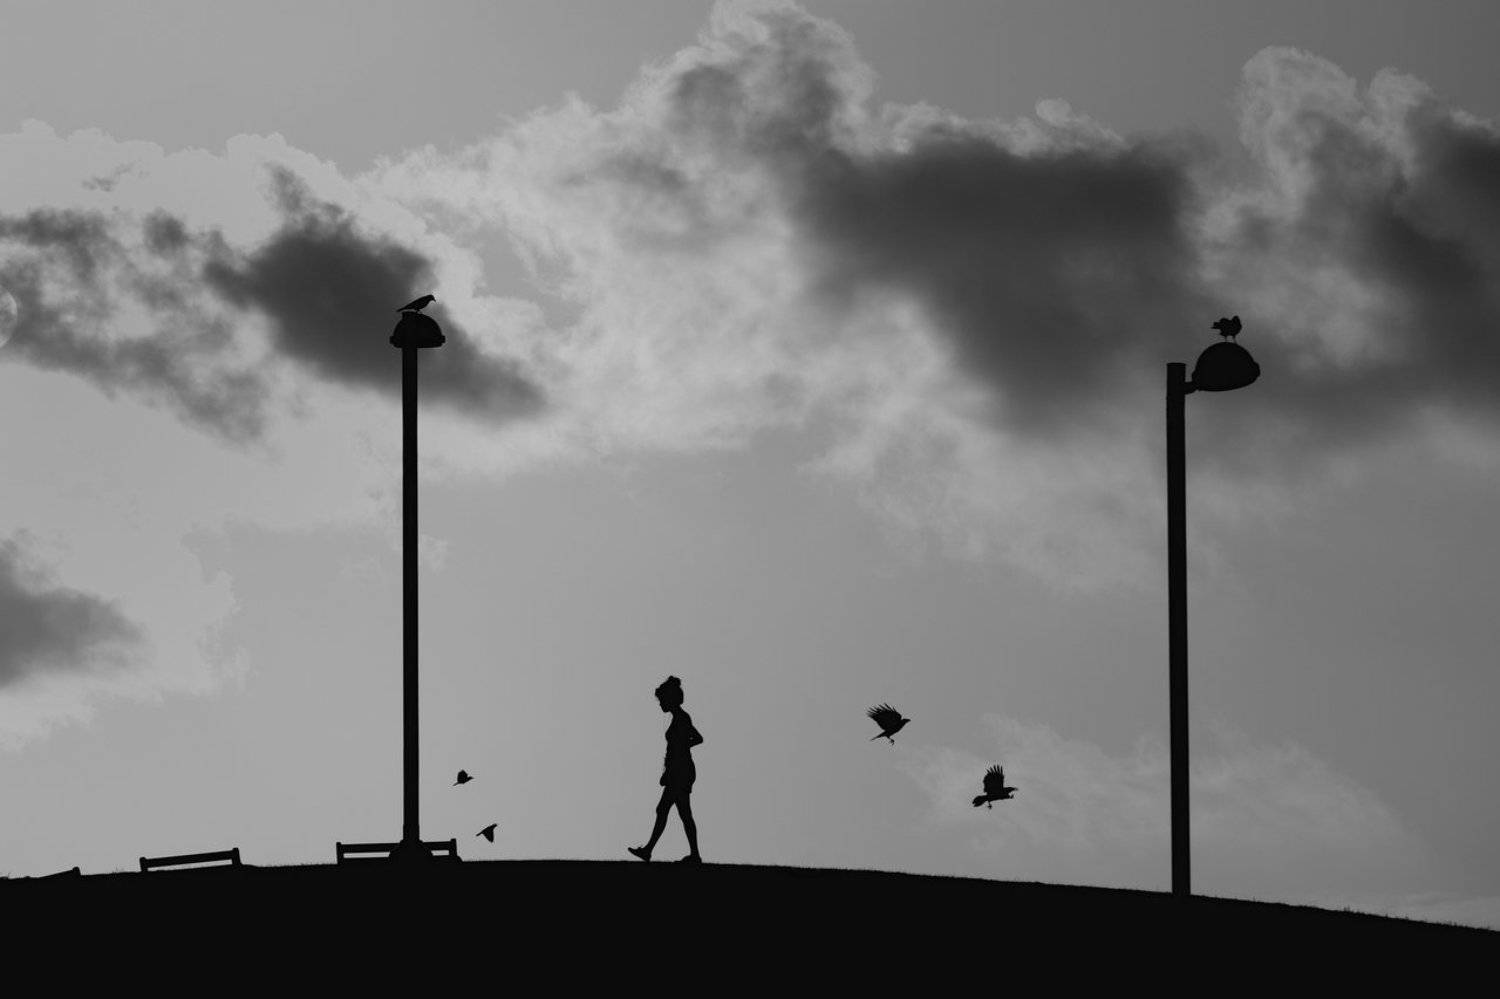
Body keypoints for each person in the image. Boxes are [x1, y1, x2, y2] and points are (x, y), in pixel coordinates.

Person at [628, 675, 704, 863]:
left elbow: (697, 739)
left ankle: (652, 851)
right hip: (679, 771)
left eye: (662, 700)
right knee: (679, 812)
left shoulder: (682, 718)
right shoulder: (680, 718)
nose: (661, 704)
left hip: (681, 772)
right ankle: (690, 854)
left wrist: (681, 748)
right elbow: (692, 741)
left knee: (671, 810)